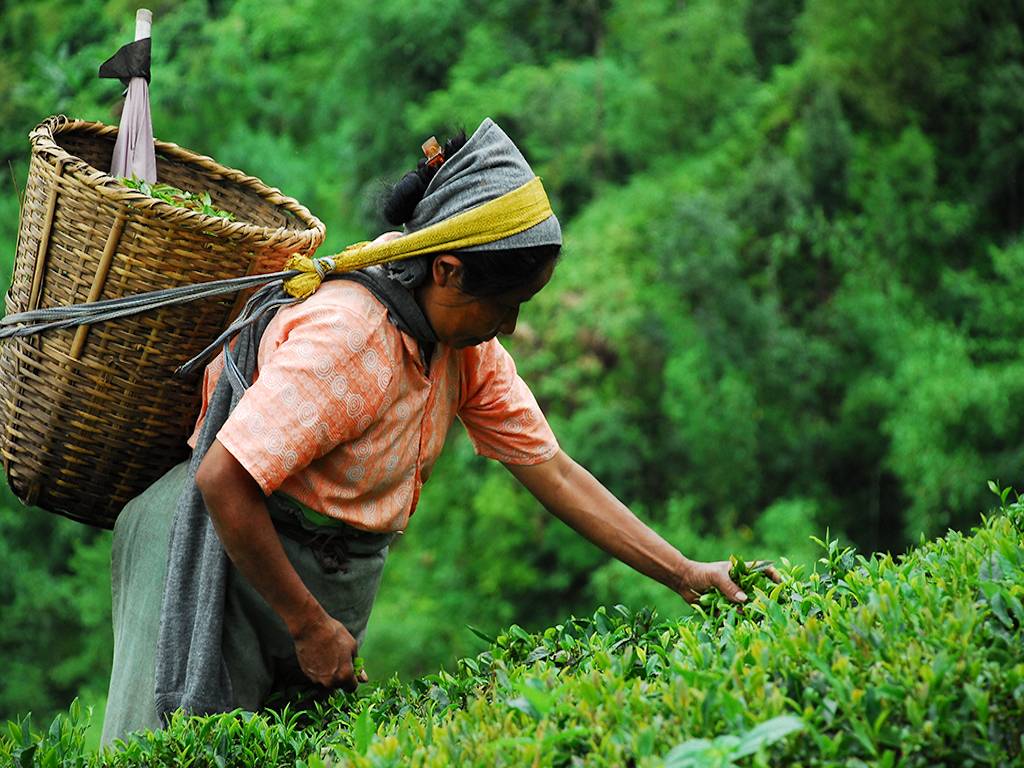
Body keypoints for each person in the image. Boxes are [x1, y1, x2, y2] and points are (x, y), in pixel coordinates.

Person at [101, 118, 779, 744]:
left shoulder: (462, 349)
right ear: (448, 270)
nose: (509, 326)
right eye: (504, 304)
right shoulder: (352, 339)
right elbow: (224, 478)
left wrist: (684, 573)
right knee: (173, 746)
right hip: (212, 547)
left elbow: (555, 470)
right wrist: (308, 624)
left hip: (311, 575)